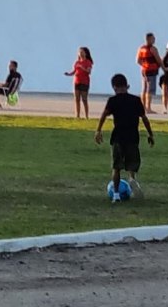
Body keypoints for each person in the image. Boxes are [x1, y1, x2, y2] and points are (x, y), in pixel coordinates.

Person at [94, 73, 155, 203]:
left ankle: (115, 194)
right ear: (127, 86)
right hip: (132, 137)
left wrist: (98, 130)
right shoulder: (136, 100)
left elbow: (104, 115)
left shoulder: (113, 101)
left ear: (114, 87)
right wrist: (150, 134)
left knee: (116, 167)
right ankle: (132, 178)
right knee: (132, 163)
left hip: (117, 137)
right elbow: (144, 118)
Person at [136, 32, 162, 114]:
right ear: (149, 39)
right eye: (153, 38)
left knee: (144, 89)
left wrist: (144, 65)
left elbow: (138, 60)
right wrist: (164, 68)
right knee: (149, 90)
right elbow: (158, 60)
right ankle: (148, 108)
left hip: (144, 70)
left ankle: (143, 107)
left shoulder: (141, 48)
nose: (154, 40)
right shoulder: (153, 49)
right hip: (151, 71)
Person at [64, 46, 93, 119]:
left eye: (82, 52)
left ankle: (86, 116)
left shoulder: (88, 62)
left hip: (84, 82)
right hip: (77, 81)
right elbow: (74, 71)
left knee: (84, 99)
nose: (80, 53)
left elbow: (89, 72)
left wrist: (82, 67)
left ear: (85, 53)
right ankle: (77, 115)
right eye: (79, 52)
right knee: (77, 99)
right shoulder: (77, 62)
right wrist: (69, 74)